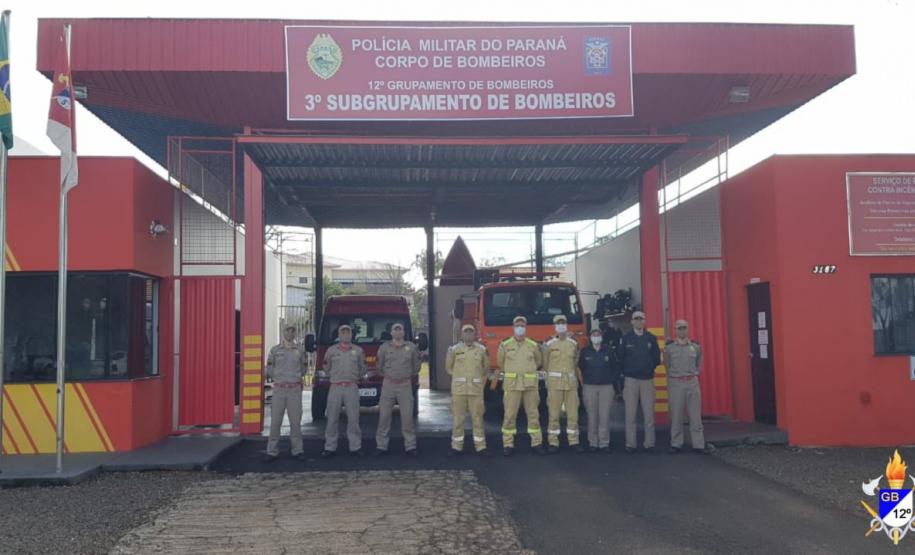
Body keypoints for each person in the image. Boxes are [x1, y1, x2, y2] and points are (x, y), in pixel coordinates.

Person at [493, 315, 544, 456]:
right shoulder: (505, 345)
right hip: (512, 386)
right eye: (517, 325)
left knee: (533, 415)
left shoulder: (533, 345)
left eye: (522, 325)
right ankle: (508, 444)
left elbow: (539, 362)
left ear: (526, 327)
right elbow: (501, 364)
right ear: (513, 327)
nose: (520, 328)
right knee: (509, 416)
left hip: (530, 386)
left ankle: (537, 443)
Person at [374, 322, 421, 457]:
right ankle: (381, 446)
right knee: (384, 417)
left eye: (401, 329)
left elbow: (416, 366)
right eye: (396, 329)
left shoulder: (411, 347)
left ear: (404, 333)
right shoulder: (384, 347)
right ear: (391, 333)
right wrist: (389, 376)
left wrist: (405, 376)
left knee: (407, 418)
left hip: (405, 386)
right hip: (388, 385)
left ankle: (410, 446)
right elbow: (379, 365)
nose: (398, 331)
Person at [618, 311, 661, 454]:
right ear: (631, 321)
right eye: (636, 319)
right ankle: (631, 444)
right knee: (630, 414)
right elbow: (620, 358)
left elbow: (656, 359)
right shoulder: (625, 339)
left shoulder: (651, 338)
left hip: (647, 380)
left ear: (644, 321)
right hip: (631, 380)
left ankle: (650, 443)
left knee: (649, 414)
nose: (638, 321)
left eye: (641, 318)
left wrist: (648, 369)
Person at [321, 324, 367, 458]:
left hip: (351, 387)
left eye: (348, 333)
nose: (346, 335)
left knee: (353, 419)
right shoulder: (331, 351)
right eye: (343, 333)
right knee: (332, 418)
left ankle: (355, 446)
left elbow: (363, 368)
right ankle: (329, 447)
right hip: (335, 387)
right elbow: (326, 367)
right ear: (339, 335)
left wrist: (354, 377)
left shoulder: (358, 351)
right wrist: (335, 376)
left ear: (351, 335)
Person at [263, 325, 307, 462]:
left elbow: (304, 369)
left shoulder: (300, 350)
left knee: (295, 422)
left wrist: (294, 377)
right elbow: (269, 368)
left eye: (293, 330)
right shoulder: (275, 350)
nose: (290, 333)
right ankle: (272, 451)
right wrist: (278, 377)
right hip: (280, 390)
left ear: (295, 333)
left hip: (294, 390)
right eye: (288, 330)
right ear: (283, 332)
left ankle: (297, 450)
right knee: (276, 422)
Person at [445, 324, 490, 457]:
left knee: (478, 419)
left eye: (471, 332)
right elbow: (448, 368)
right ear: (461, 334)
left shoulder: (482, 350)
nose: (468, 334)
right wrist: (461, 378)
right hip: (459, 391)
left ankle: (481, 446)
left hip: (475, 391)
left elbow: (485, 369)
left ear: (475, 334)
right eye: (466, 332)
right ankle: (456, 447)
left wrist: (474, 379)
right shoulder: (454, 349)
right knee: (458, 419)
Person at [665, 319, 708, 454]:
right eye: (679, 328)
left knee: (695, 415)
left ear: (688, 329)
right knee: (676, 415)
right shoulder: (669, 348)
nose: (682, 330)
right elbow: (667, 365)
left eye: (684, 328)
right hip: (676, 383)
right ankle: (676, 443)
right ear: (675, 330)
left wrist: (693, 374)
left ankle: (699, 444)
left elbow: (699, 363)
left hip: (692, 383)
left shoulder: (695, 347)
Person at [543, 314, 582, 453]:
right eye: (558, 323)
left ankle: (574, 441)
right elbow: (545, 363)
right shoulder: (548, 344)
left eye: (563, 323)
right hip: (555, 385)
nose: (561, 325)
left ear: (566, 325)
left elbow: (576, 361)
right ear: (554, 326)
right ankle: (553, 442)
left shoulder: (574, 343)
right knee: (553, 415)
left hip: (571, 384)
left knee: (573, 414)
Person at [577, 328, 620, 453]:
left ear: (601, 336)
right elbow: (581, 367)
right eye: (594, 335)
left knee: (604, 416)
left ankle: (604, 442)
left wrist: (611, 378)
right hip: (590, 386)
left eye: (598, 334)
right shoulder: (585, 351)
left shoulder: (609, 350)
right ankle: (593, 442)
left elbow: (615, 366)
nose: (596, 337)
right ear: (590, 337)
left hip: (606, 387)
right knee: (592, 415)